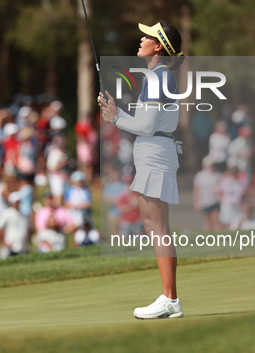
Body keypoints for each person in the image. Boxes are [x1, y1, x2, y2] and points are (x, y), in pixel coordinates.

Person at [98, 22, 184, 319]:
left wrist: (115, 117)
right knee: (157, 229)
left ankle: (169, 299)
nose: (140, 39)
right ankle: (170, 299)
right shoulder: (160, 75)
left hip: (155, 152)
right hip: (157, 151)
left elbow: (145, 126)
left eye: (147, 36)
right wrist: (117, 113)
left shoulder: (158, 76)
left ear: (159, 46)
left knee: (157, 229)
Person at [193, 156, 222, 232]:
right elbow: (196, 190)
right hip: (205, 200)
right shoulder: (200, 176)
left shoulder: (218, 175)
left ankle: (219, 235)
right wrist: (197, 202)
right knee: (208, 219)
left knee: (216, 217)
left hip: (215, 200)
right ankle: (207, 235)